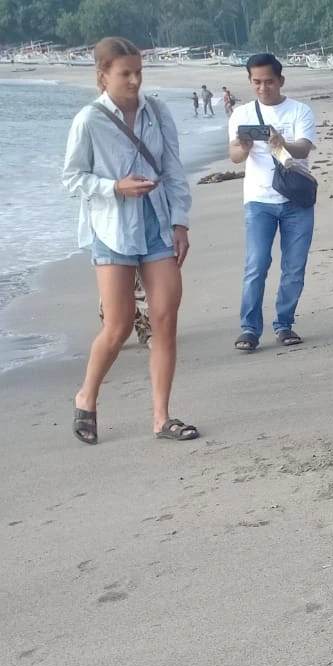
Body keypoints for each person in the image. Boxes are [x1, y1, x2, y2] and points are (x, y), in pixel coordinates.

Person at [62, 36, 195, 445]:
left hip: (156, 224)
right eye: (125, 74)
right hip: (111, 230)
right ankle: (87, 394)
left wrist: (180, 223)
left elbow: (172, 168)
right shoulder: (89, 120)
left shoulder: (156, 111)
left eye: (139, 71)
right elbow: (72, 179)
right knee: (118, 326)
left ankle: (161, 417)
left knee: (166, 319)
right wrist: (114, 187)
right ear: (102, 76)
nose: (135, 80)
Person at [227, 53, 316, 351]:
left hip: (296, 199)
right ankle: (249, 328)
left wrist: (281, 142)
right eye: (256, 82)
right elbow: (236, 157)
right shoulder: (241, 115)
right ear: (250, 81)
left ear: (281, 80)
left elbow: (303, 149)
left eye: (268, 81)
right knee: (256, 264)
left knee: (294, 266)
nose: (263, 87)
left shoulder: (299, 111)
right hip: (258, 199)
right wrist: (245, 145)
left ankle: (284, 323)